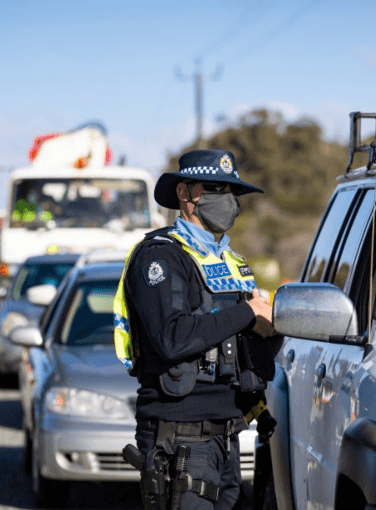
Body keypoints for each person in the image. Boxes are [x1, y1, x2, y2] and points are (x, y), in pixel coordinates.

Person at [114, 149, 279, 510]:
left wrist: (271, 328)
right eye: (215, 188)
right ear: (185, 194)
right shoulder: (161, 257)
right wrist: (249, 313)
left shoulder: (231, 262)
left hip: (228, 435)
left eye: (231, 191)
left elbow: (239, 346)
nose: (228, 200)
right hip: (180, 438)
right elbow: (173, 338)